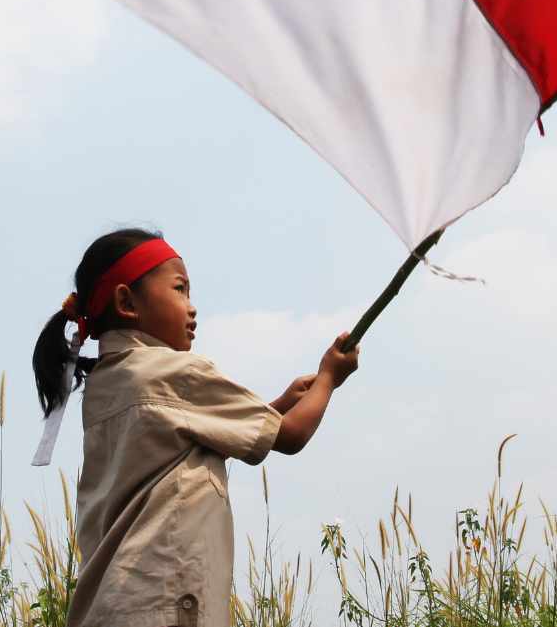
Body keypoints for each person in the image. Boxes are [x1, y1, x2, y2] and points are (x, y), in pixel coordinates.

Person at [31, 228, 360, 627]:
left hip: (113, 607)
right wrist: (329, 378)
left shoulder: (106, 385)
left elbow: (184, 444)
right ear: (126, 301)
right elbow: (291, 436)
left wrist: (276, 405)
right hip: (164, 605)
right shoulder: (176, 372)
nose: (192, 307)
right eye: (180, 289)